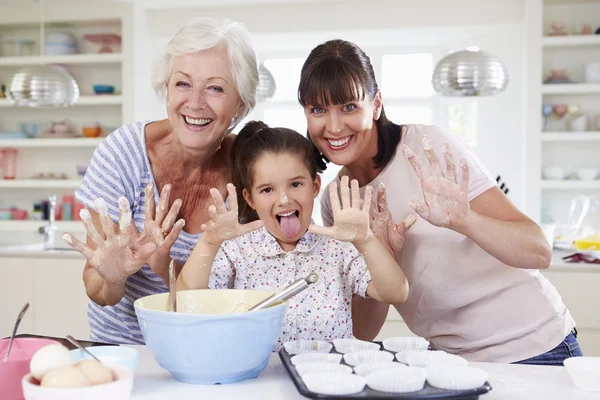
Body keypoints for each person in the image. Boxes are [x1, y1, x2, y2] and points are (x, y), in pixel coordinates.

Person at [296, 39, 581, 364]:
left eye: (348, 106)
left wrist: (465, 220)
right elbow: (361, 331)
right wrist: (382, 255)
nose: (333, 127)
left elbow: (539, 251)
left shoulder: (428, 148)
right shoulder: (340, 200)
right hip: (455, 364)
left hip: (536, 347)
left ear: (375, 105)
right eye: (318, 109)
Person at [63, 17, 259, 344]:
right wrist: (113, 276)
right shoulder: (123, 155)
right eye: (183, 83)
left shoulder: (251, 166)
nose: (195, 103)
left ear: (240, 103)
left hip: (212, 349)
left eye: (215, 87)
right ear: (166, 88)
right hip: (127, 353)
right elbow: (101, 293)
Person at [176, 121, 409, 350]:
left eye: (296, 184)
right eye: (267, 190)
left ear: (315, 186)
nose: (284, 199)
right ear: (250, 199)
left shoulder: (339, 247)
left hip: (328, 378)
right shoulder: (236, 250)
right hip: (260, 380)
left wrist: (366, 240)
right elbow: (186, 300)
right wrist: (209, 242)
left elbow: (396, 291)